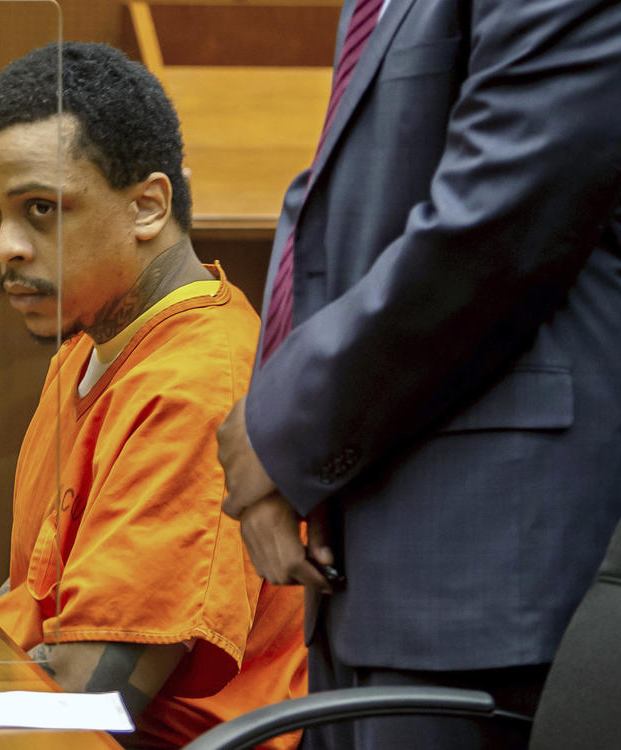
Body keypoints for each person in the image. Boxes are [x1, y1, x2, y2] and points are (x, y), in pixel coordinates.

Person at [217, 0, 621, 748]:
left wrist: (280, 436)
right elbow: (328, 209)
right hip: (359, 571)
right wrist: (277, 443)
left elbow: (493, 233)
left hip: (484, 584)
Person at [0, 42, 307, 749]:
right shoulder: (86, 349)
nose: (5, 246)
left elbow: (87, 703)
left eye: (40, 209)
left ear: (148, 206)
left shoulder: (198, 384)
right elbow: (28, 609)